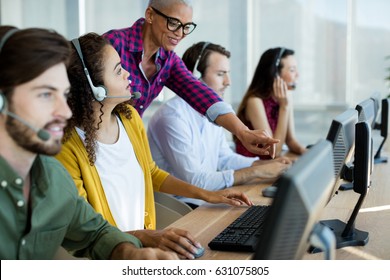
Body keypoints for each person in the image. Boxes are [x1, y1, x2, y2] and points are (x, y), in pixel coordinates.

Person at [55, 32, 252, 259]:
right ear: (93, 86)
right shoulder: (67, 146)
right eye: (119, 70)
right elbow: (89, 233)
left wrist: (209, 195)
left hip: (140, 251)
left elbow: (151, 172)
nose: (128, 73)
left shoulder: (129, 117)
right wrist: (147, 236)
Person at [0, 26, 177, 260]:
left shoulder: (52, 177)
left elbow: (95, 234)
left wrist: (129, 254)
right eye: (45, 94)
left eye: (63, 95)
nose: (63, 112)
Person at [102, 0, 279, 158]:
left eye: (187, 26)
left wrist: (243, 132)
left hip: (125, 144)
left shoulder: (168, 60)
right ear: (150, 15)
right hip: (95, 141)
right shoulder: (113, 44)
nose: (180, 33)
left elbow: (199, 92)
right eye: (174, 23)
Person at [147, 42, 292, 208]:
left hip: (206, 200)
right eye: (220, 74)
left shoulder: (215, 112)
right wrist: (256, 172)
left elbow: (224, 158)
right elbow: (196, 181)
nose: (228, 82)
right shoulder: (171, 117)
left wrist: (263, 164)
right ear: (194, 76)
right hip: (181, 207)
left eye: (227, 74)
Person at [235, 47, 307, 159]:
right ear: (275, 75)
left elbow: (290, 140)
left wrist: (306, 152)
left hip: (269, 165)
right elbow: (274, 151)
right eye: (292, 70)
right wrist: (284, 107)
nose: (297, 75)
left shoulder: (286, 97)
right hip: (253, 167)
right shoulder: (254, 102)